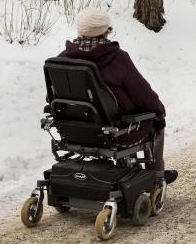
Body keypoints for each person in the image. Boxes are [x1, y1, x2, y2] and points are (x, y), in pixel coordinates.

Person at [58, 9, 178, 188]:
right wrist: (159, 111)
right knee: (155, 122)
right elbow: (141, 92)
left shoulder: (62, 60)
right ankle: (156, 177)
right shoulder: (117, 59)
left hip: (74, 131)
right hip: (115, 133)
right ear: (105, 31)